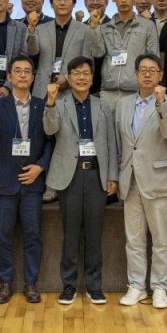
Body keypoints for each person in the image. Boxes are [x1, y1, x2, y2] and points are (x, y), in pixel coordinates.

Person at [43, 57, 117, 305]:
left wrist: (112, 176)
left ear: (92, 78)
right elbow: (49, 130)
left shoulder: (103, 106)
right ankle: (69, 286)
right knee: (71, 234)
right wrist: (50, 103)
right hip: (70, 176)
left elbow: (111, 143)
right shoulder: (59, 103)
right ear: (69, 77)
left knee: (94, 235)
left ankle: (95, 286)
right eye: (76, 73)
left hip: (96, 176)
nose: (81, 77)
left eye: (86, 73)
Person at [0, 56, 53, 304]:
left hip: (33, 182)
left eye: (27, 71)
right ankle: (4, 283)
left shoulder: (43, 105)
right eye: (17, 71)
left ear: (33, 77)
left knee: (33, 234)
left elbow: (51, 142)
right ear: (9, 77)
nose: (22, 75)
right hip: (5, 181)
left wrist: (40, 167)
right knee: (3, 235)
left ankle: (31, 283)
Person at [113, 54, 167, 309]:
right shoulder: (123, 104)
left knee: (161, 239)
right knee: (134, 239)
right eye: (143, 70)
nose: (148, 74)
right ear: (136, 74)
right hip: (130, 179)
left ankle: (160, 286)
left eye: (153, 70)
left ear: (161, 75)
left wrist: (160, 103)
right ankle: (137, 286)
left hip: (159, 179)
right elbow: (121, 143)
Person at [88, 0, 160, 110]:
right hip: (108, 92)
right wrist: (94, 28)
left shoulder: (147, 26)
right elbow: (98, 53)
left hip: (137, 91)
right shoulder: (104, 27)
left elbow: (154, 57)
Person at [25, 0, 92, 99]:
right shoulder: (40, 29)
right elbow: (32, 51)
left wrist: (67, 78)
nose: (62, 3)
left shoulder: (84, 30)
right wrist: (31, 30)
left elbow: (87, 61)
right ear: (51, 5)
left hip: (72, 90)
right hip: (42, 90)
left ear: (74, 4)